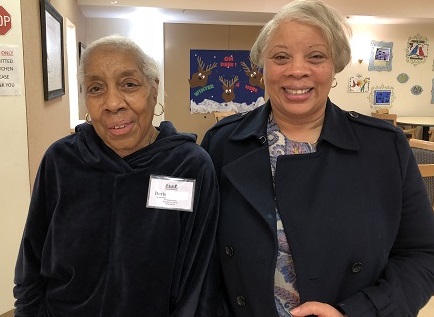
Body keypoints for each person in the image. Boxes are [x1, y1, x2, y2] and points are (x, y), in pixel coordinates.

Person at [201, 0, 434, 316]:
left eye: (316, 56)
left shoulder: (384, 147)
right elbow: (204, 257)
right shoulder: (222, 142)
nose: (297, 70)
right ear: (262, 65)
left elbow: (422, 254)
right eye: (281, 56)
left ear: (335, 66)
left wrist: (358, 312)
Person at [14, 34, 219, 316]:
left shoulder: (189, 166)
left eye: (129, 84)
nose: (113, 103)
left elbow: (199, 281)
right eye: (96, 88)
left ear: (153, 89)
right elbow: (31, 261)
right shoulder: (61, 161)